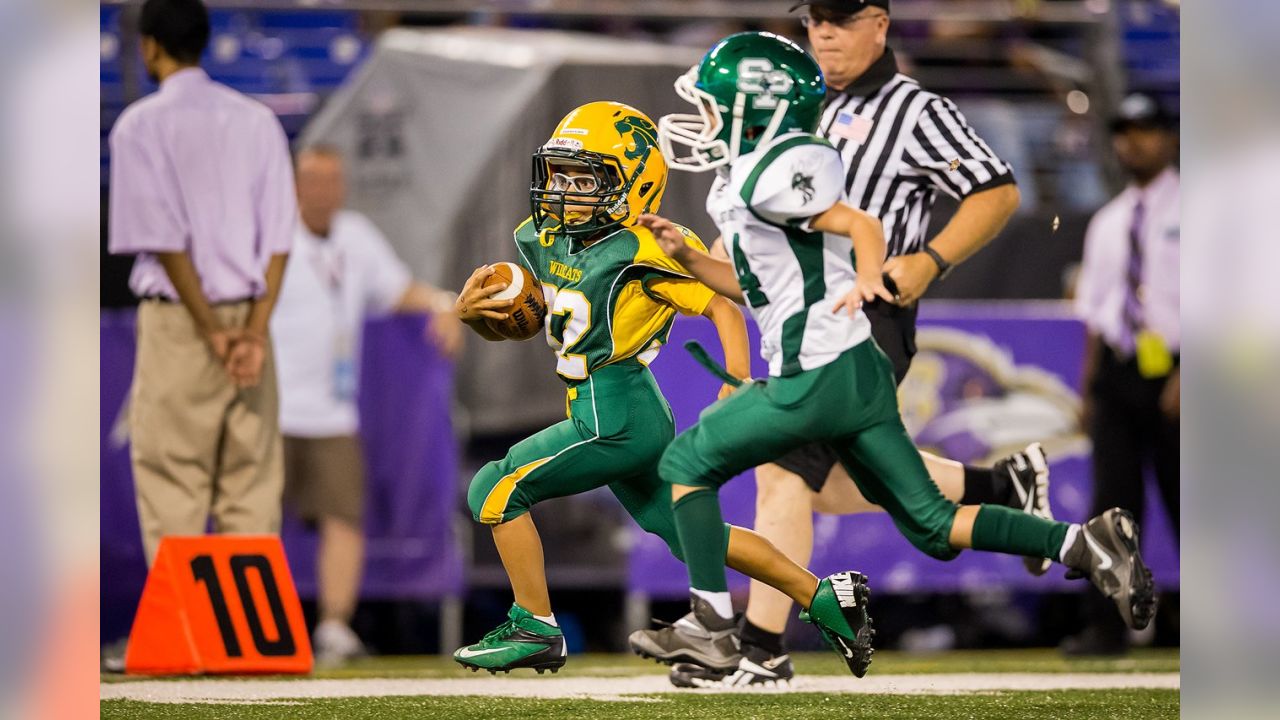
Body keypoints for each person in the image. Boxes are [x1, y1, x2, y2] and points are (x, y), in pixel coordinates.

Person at [630, 30, 1157, 683]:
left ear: (753, 108)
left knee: (688, 461)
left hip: (818, 371)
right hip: (853, 371)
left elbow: (862, 224)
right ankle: (1086, 541)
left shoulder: (776, 165)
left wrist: (868, 277)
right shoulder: (749, 177)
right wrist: (688, 260)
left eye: (714, 106)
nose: (703, 120)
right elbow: (755, 284)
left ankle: (716, 629)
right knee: (931, 525)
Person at [669, 0, 1049, 687]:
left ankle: (759, 648)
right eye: (814, 17)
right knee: (842, 487)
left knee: (780, 473)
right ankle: (1005, 485)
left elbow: (993, 191)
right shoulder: (789, 102)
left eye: (840, 18)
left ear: (880, 22)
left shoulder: (913, 110)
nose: (823, 32)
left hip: (859, 314)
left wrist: (928, 260)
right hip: (799, 315)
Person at [450, 101, 871, 676]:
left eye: (585, 178)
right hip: (614, 409)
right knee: (690, 535)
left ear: (634, 183)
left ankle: (535, 625)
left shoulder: (642, 247)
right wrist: (477, 316)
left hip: (614, 415)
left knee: (493, 489)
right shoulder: (548, 237)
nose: (566, 192)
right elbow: (545, 327)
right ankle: (825, 598)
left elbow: (721, 306)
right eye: (561, 175)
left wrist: (737, 380)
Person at [107, 0, 295, 566]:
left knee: (174, 482)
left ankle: (188, 643)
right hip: (251, 317)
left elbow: (164, 241)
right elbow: (279, 241)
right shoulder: (257, 120)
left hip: (183, 322)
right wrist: (253, 334)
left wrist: (213, 332)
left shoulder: (140, 124)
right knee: (251, 484)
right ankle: (248, 645)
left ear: (149, 46)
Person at [271, 145, 464, 666]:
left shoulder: (356, 238)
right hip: (270, 405)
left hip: (333, 409)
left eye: (331, 180)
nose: (322, 190)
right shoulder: (271, 235)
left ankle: (333, 626)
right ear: (293, 185)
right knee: (253, 517)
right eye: (312, 179)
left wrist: (445, 303)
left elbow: (400, 289)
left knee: (344, 518)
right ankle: (252, 622)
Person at [1064, 93, 1179, 656]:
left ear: (1173, 138)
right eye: (1125, 131)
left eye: (1147, 129)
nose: (1135, 141)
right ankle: (1107, 628)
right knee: (1110, 507)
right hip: (1118, 369)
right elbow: (1094, 311)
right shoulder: (1109, 220)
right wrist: (1089, 387)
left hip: (1179, 367)